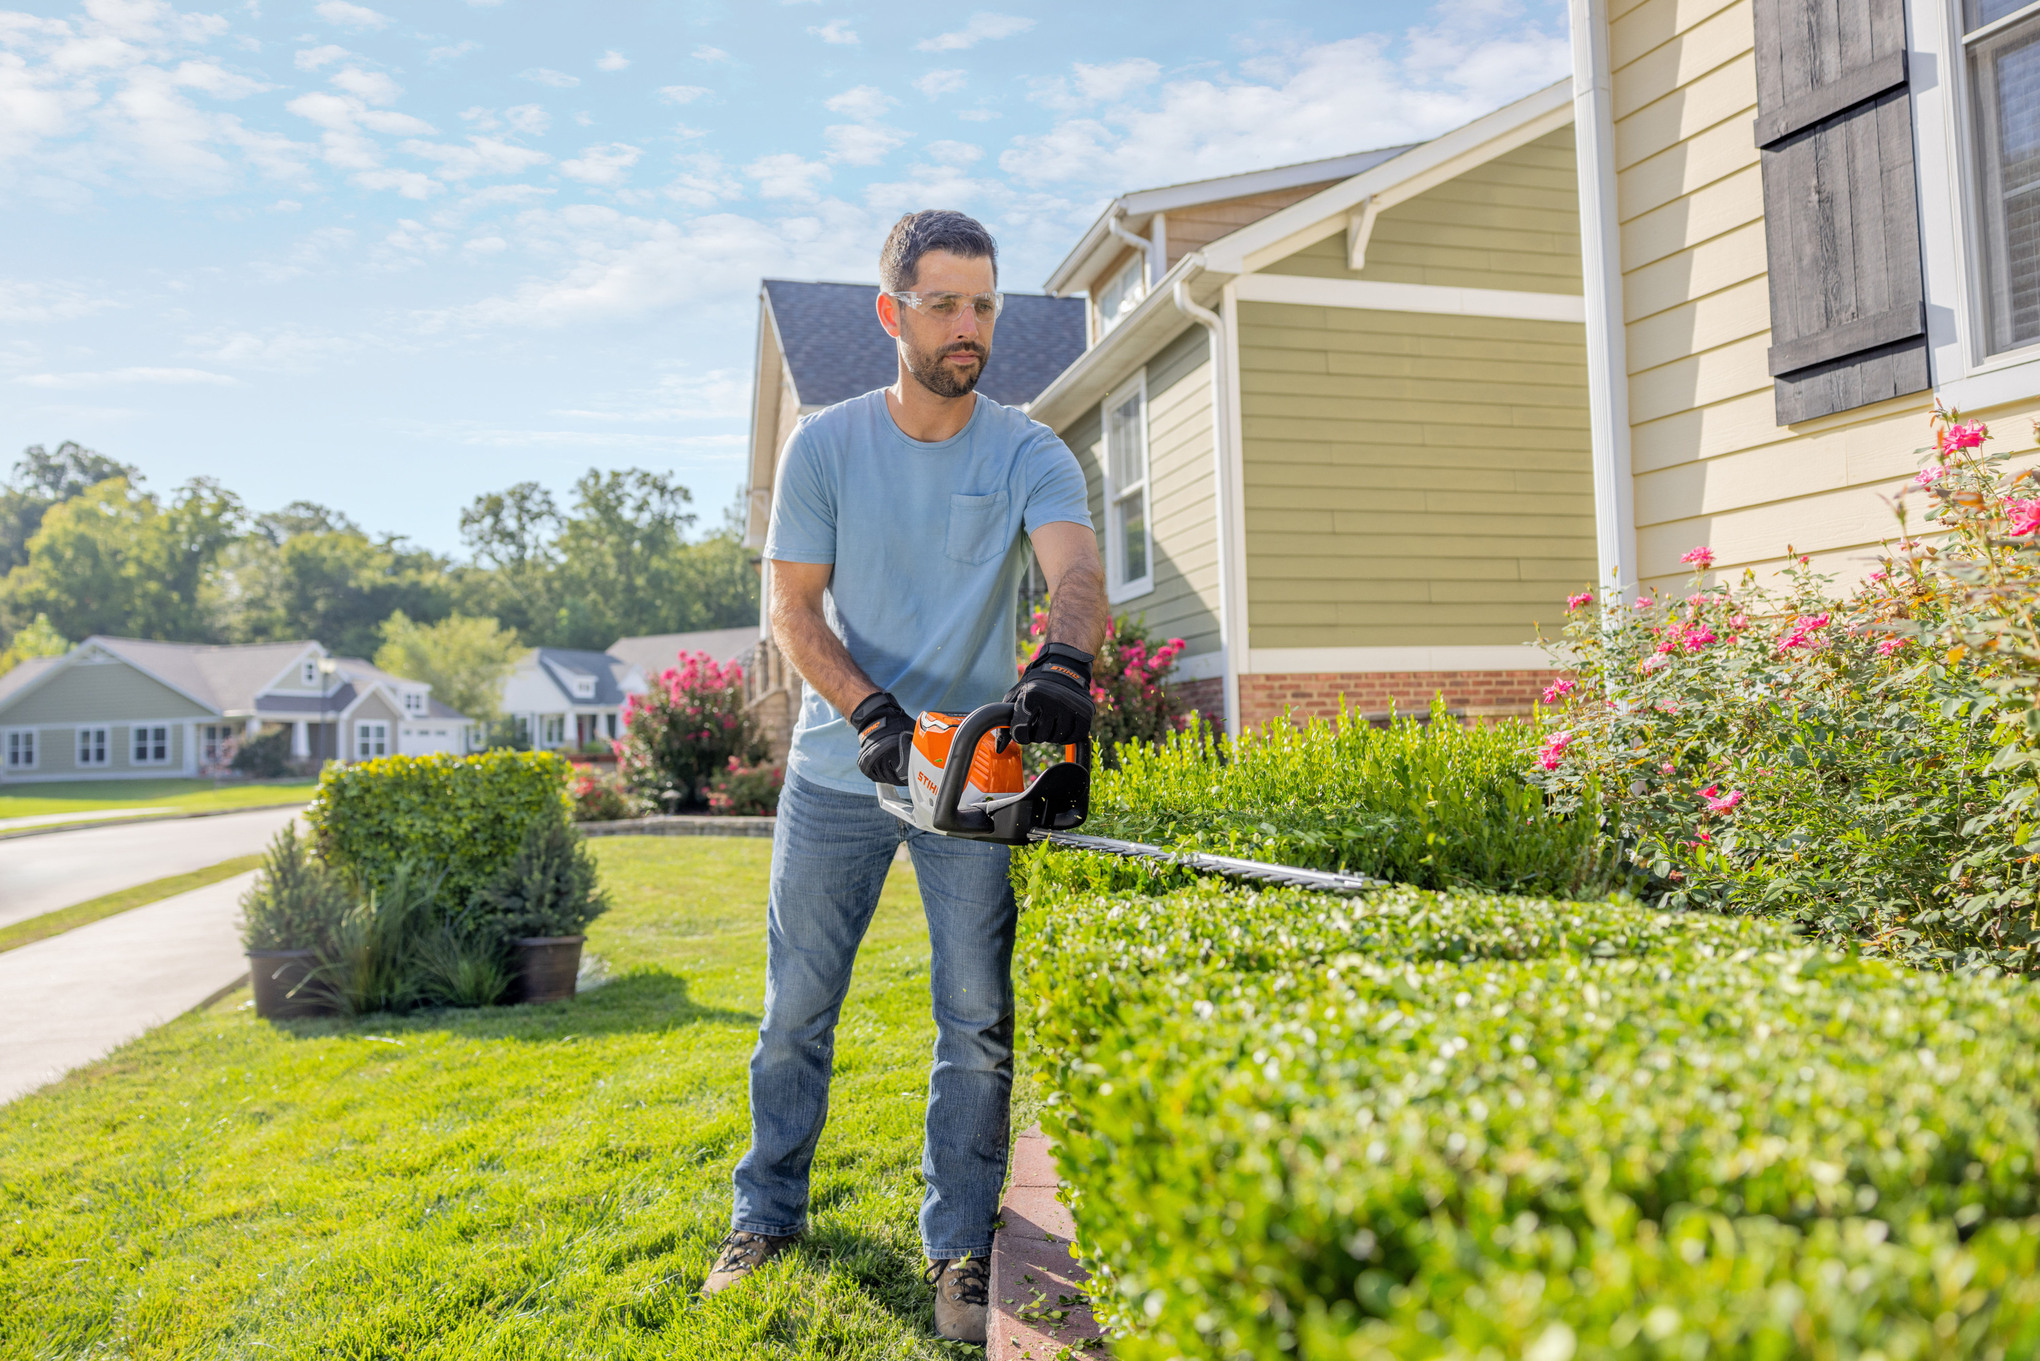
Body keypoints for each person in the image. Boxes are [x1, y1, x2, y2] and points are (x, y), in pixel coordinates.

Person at [701, 209, 1108, 1343]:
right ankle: (766, 1214)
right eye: (944, 303)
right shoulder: (825, 445)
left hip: (973, 785)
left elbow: (1075, 570)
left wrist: (1065, 659)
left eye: (984, 304)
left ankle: (960, 1251)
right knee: (795, 1010)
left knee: (976, 1022)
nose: (969, 325)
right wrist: (869, 710)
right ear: (892, 313)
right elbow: (791, 605)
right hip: (844, 769)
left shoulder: (1030, 447)